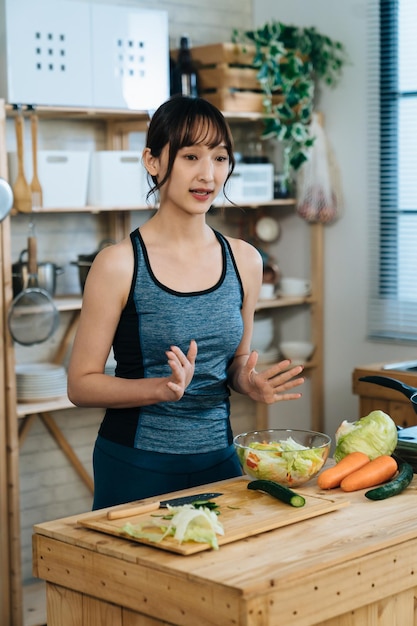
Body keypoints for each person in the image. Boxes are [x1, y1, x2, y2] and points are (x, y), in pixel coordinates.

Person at [67, 95, 305, 510]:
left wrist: (248, 381)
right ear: (153, 161)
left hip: (221, 462)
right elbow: (81, 383)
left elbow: (235, 362)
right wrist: (161, 388)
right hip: (136, 465)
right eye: (191, 156)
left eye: (219, 157)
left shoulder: (245, 260)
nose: (208, 174)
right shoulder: (119, 263)